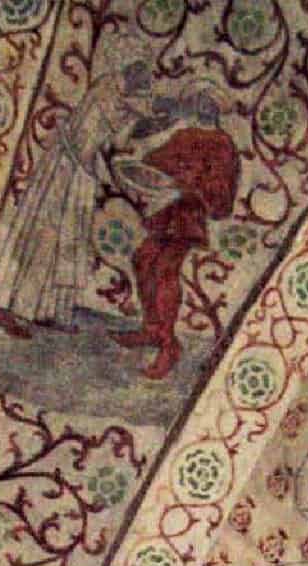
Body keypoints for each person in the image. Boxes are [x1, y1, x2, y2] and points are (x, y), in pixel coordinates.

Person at [0, 54, 154, 338]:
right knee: (42, 241)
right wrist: (137, 115)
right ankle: (10, 308)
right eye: (139, 87)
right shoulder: (107, 93)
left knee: (69, 245)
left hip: (80, 173)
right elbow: (105, 129)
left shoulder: (114, 96)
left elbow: (110, 140)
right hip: (65, 169)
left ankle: (51, 312)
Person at [110, 90, 240, 378]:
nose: (201, 104)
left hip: (188, 214)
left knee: (165, 270)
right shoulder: (184, 135)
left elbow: (221, 188)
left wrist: (189, 185)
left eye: (207, 100)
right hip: (166, 209)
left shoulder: (222, 143)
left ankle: (169, 345)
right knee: (143, 260)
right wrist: (143, 168)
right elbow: (157, 160)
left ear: (216, 108)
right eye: (199, 99)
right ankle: (151, 328)